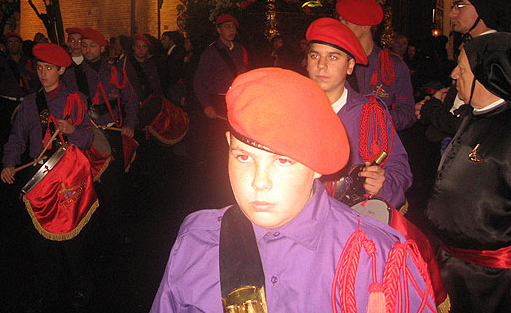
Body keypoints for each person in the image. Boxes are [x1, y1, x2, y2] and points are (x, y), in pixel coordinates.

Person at [151, 68, 436, 312]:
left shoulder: (376, 260)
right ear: (228, 145)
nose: (258, 182)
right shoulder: (197, 239)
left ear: (316, 165)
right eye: (243, 157)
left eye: (283, 161)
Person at [0, 42, 96, 311]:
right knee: (39, 240)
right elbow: (17, 138)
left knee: (70, 238)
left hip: (67, 176)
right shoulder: (30, 103)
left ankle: (82, 288)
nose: (43, 73)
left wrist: (73, 129)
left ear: (61, 70)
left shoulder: (74, 100)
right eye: (40, 68)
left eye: (49, 69)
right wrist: (9, 163)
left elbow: (88, 139)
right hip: (39, 175)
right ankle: (47, 292)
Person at [425, 32, 511, 313]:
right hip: (452, 266)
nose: (452, 74)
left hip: (491, 284)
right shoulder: (472, 115)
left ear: (488, 77)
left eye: (461, 69)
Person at [305, 17, 412, 208]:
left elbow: (400, 171)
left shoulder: (370, 113)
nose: (321, 65)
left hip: (353, 223)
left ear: (350, 66)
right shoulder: (291, 108)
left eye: (333, 57)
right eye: (315, 56)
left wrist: (382, 185)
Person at [62, 27, 138, 240]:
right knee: (88, 184)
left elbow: (130, 100)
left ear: (102, 48)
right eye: (84, 45)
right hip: (86, 135)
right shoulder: (71, 75)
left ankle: (116, 230)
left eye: (92, 45)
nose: (87, 49)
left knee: (115, 185)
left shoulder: (115, 72)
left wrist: (130, 124)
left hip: (112, 133)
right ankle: (92, 231)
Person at [416, 0, 511, 140]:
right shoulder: (473, 47)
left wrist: (431, 109)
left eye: (459, 5)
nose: (452, 13)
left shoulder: (495, 56)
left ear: (482, 7)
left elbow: (471, 120)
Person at [336, 0, 416, 130]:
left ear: (366, 25)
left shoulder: (393, 65)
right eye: (340, 21)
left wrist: (377, 118)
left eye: (346, 21)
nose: (341, 26)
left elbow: (408, 114)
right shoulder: (336, 61)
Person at [0, 31, 39, 148]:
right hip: (6, 103)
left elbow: (36, 82)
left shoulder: (29, 62)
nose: (13, 45)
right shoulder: (0, 61)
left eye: (16, 42)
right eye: (10, 42)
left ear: (20, 44)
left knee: (26, 135)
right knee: (7, 136)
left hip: (25, 102)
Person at [193, 14, 248, 119]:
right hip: (218, 101)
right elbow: (198, 81)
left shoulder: (240, 50)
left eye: (233, 27)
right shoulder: (210, 52)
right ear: (218, 29)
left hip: (238, 99)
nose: (231, 30)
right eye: (227, 26)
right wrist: (207, 105)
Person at [126, 34, 163, 103]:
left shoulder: (151, 64)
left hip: (149, 102)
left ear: (147, 48)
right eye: (138, 46)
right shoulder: (126, 64)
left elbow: (157, 85)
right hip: (132, 103)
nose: (141, 49)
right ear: (133, 47)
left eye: (144, 46)